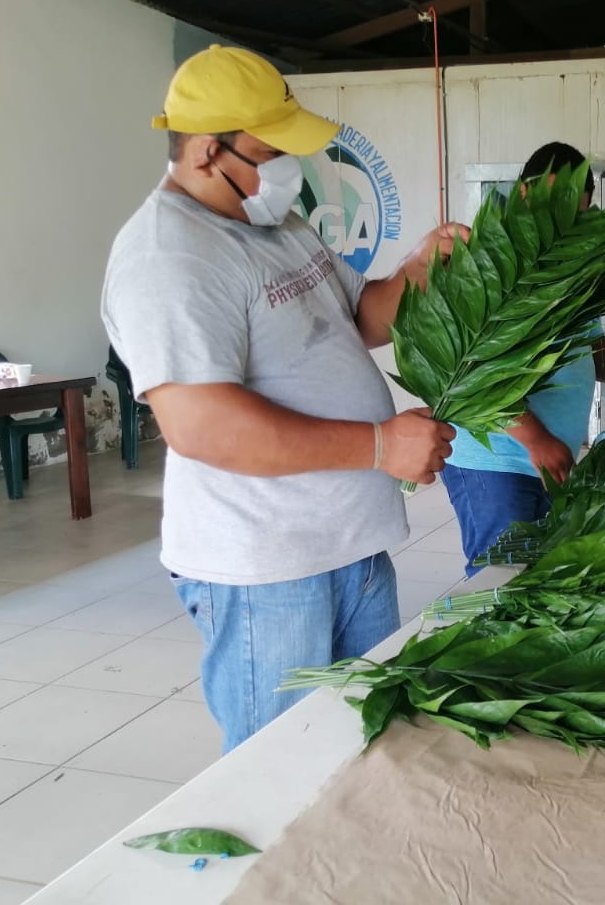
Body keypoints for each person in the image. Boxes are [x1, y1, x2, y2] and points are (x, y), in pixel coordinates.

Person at [102, 45, 462, 752]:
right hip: (266, 567)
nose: (286, 172)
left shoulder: (275, 223)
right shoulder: (169, 257)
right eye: (270, 152)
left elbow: (362, 317)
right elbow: (202, 427)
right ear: (208, 150)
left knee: (362, 745)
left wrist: (423, 269)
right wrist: (382, 446)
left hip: (349, 544)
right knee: (278, 763)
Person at [441, 142, 605, 576]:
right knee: (502, 583)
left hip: (548, 459)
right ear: (525, 193)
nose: (566, 221)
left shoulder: (568, 266)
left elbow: (588, 343)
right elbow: (474, 370)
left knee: (535, 577)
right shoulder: (495, 264)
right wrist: (536, 440)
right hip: (498, 460)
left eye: (577, 212)